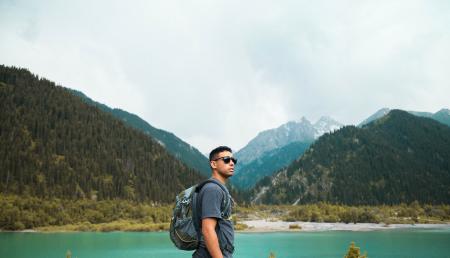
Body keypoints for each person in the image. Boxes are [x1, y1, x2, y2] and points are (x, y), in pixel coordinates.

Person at [193, 146, 236, 258]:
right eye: (226, 159)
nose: (231, 163)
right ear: (213, 164)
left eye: (233, 160)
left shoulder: (217, 188)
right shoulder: (213, 189)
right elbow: (207, 229)